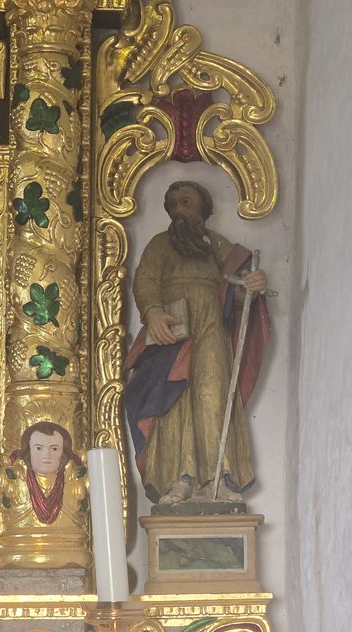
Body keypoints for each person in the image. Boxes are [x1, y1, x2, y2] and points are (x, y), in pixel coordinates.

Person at [124, 181, 270, 505]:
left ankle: (219, 478)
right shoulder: (160, 244)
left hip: (212, 326)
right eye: (173, 205)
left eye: (186, 202)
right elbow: (145, 280)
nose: (179, 210)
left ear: (203, 207)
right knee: (175, 399)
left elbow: (238, 289)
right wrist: (153, 311)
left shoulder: (217, 245)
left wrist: (252, 285)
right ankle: (179, 479)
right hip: (174, 327)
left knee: (213, 395)